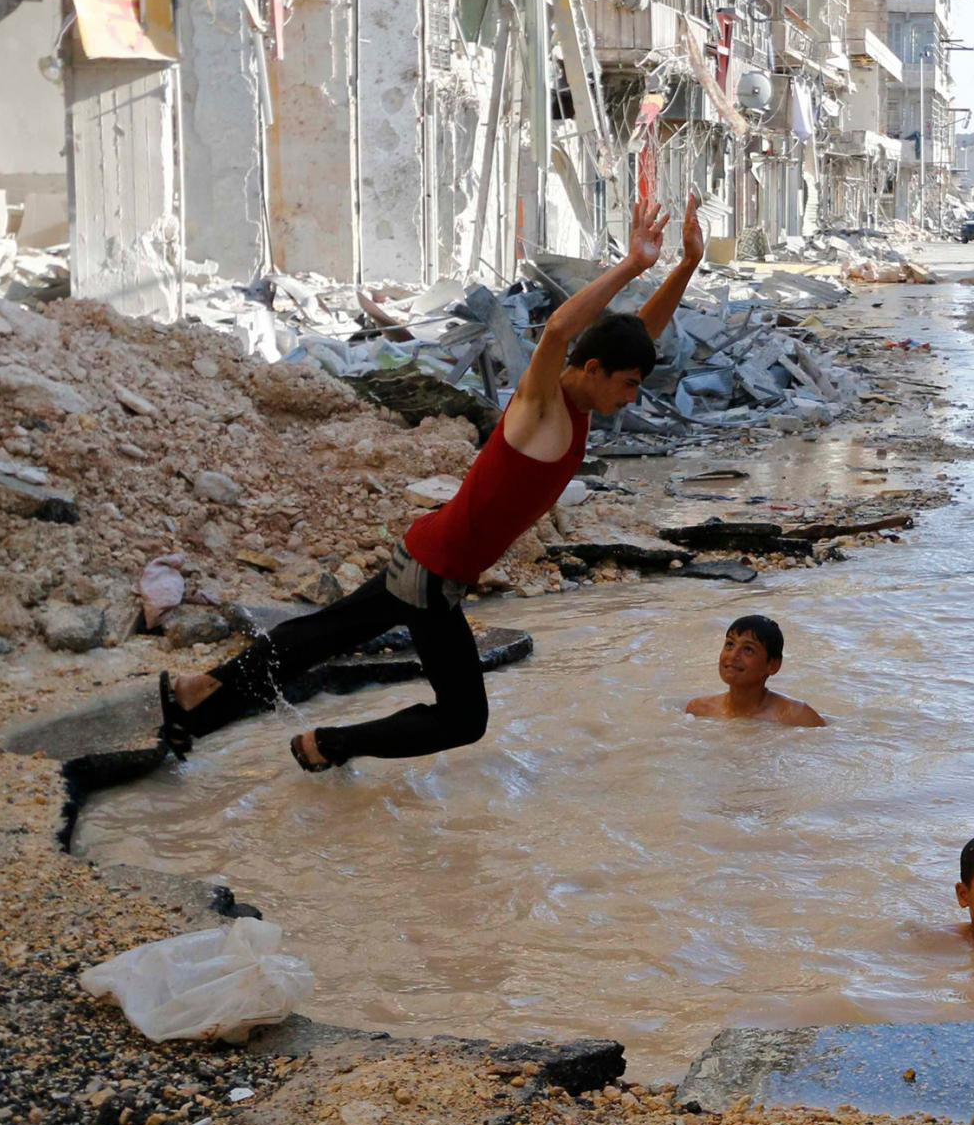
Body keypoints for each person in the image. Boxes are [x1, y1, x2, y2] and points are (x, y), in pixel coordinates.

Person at [158, 195, 706, 771]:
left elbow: (634, 335)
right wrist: (632, 265)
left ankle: (202, 690)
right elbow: (560, 333)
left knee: (322, 636)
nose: (632, 397)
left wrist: (685, 266)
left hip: (427, 555)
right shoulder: (541, 407)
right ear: (594, 370)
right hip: (433, 576)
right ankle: (327, 745)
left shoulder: (584, 395)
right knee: (463, 719)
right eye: (630, 384)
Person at [683, 614, 826, 727]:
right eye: (730, 644)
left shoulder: (798, 717)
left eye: (748, 650)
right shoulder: (699, 710)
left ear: (773, 665)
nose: (733, 655)